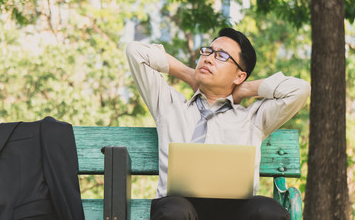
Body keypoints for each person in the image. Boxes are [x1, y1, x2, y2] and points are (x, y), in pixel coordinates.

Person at [126, 28, 310, 220]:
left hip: (235, 211)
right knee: (175, 211)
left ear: (239, 76)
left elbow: (300, 90)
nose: (208, 58)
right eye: (207, 51)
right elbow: (135, 51)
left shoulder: (253, 119)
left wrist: (244, 88)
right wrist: (190, 75)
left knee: (267, 210)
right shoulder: (168, 106)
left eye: (221, 56)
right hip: (180, 208)